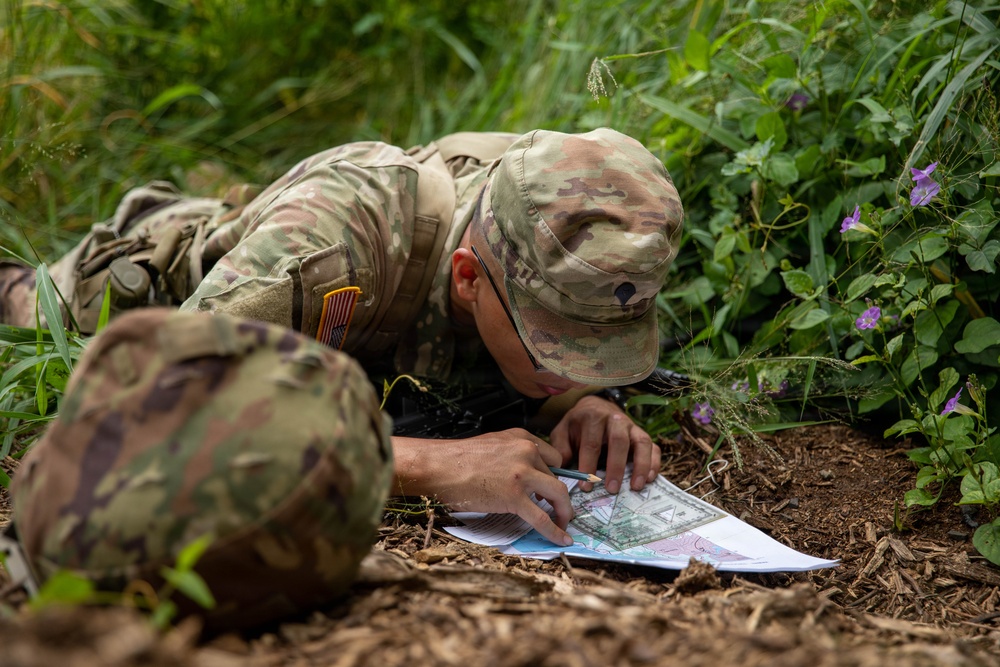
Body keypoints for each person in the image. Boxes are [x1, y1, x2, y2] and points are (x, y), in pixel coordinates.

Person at [1, 128, 684, 547]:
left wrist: (577, 404)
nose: (580, 371)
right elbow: (158, 401)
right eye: (554, 350)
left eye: (600, 353)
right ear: (469, 279)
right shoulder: (328, 245)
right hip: (159, 281)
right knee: (24, 305)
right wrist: (428, 467)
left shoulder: (565, 206)